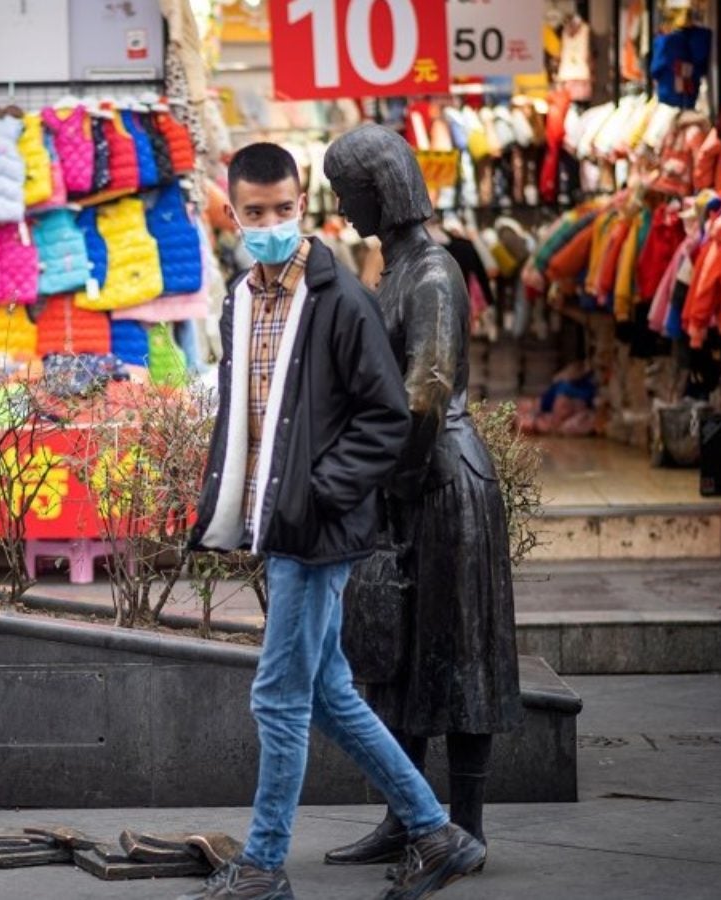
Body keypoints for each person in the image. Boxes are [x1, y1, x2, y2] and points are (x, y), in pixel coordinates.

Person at [182, 142, 485, 900]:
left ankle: (262, 866)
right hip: (280, 523)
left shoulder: (341, 299)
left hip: (319, 529)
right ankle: (437, 831)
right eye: (256, 213)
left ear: (304, 207)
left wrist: (319, 491)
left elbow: (391, 415)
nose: (272, 223)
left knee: (277, 695)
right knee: (327, 691)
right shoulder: (240, 297)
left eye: (285, 210)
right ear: (233, 212)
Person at [321, 125, 522, 875]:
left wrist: (381, 479)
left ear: (382, 189)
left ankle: (462, 826)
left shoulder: (433, 274)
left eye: (347, 194)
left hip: (443, 484)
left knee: (461, 656)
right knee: (401, 657)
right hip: (411, 481)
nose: (341, 210)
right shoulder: (396, 267)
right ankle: (406, 815)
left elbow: (426, 393)